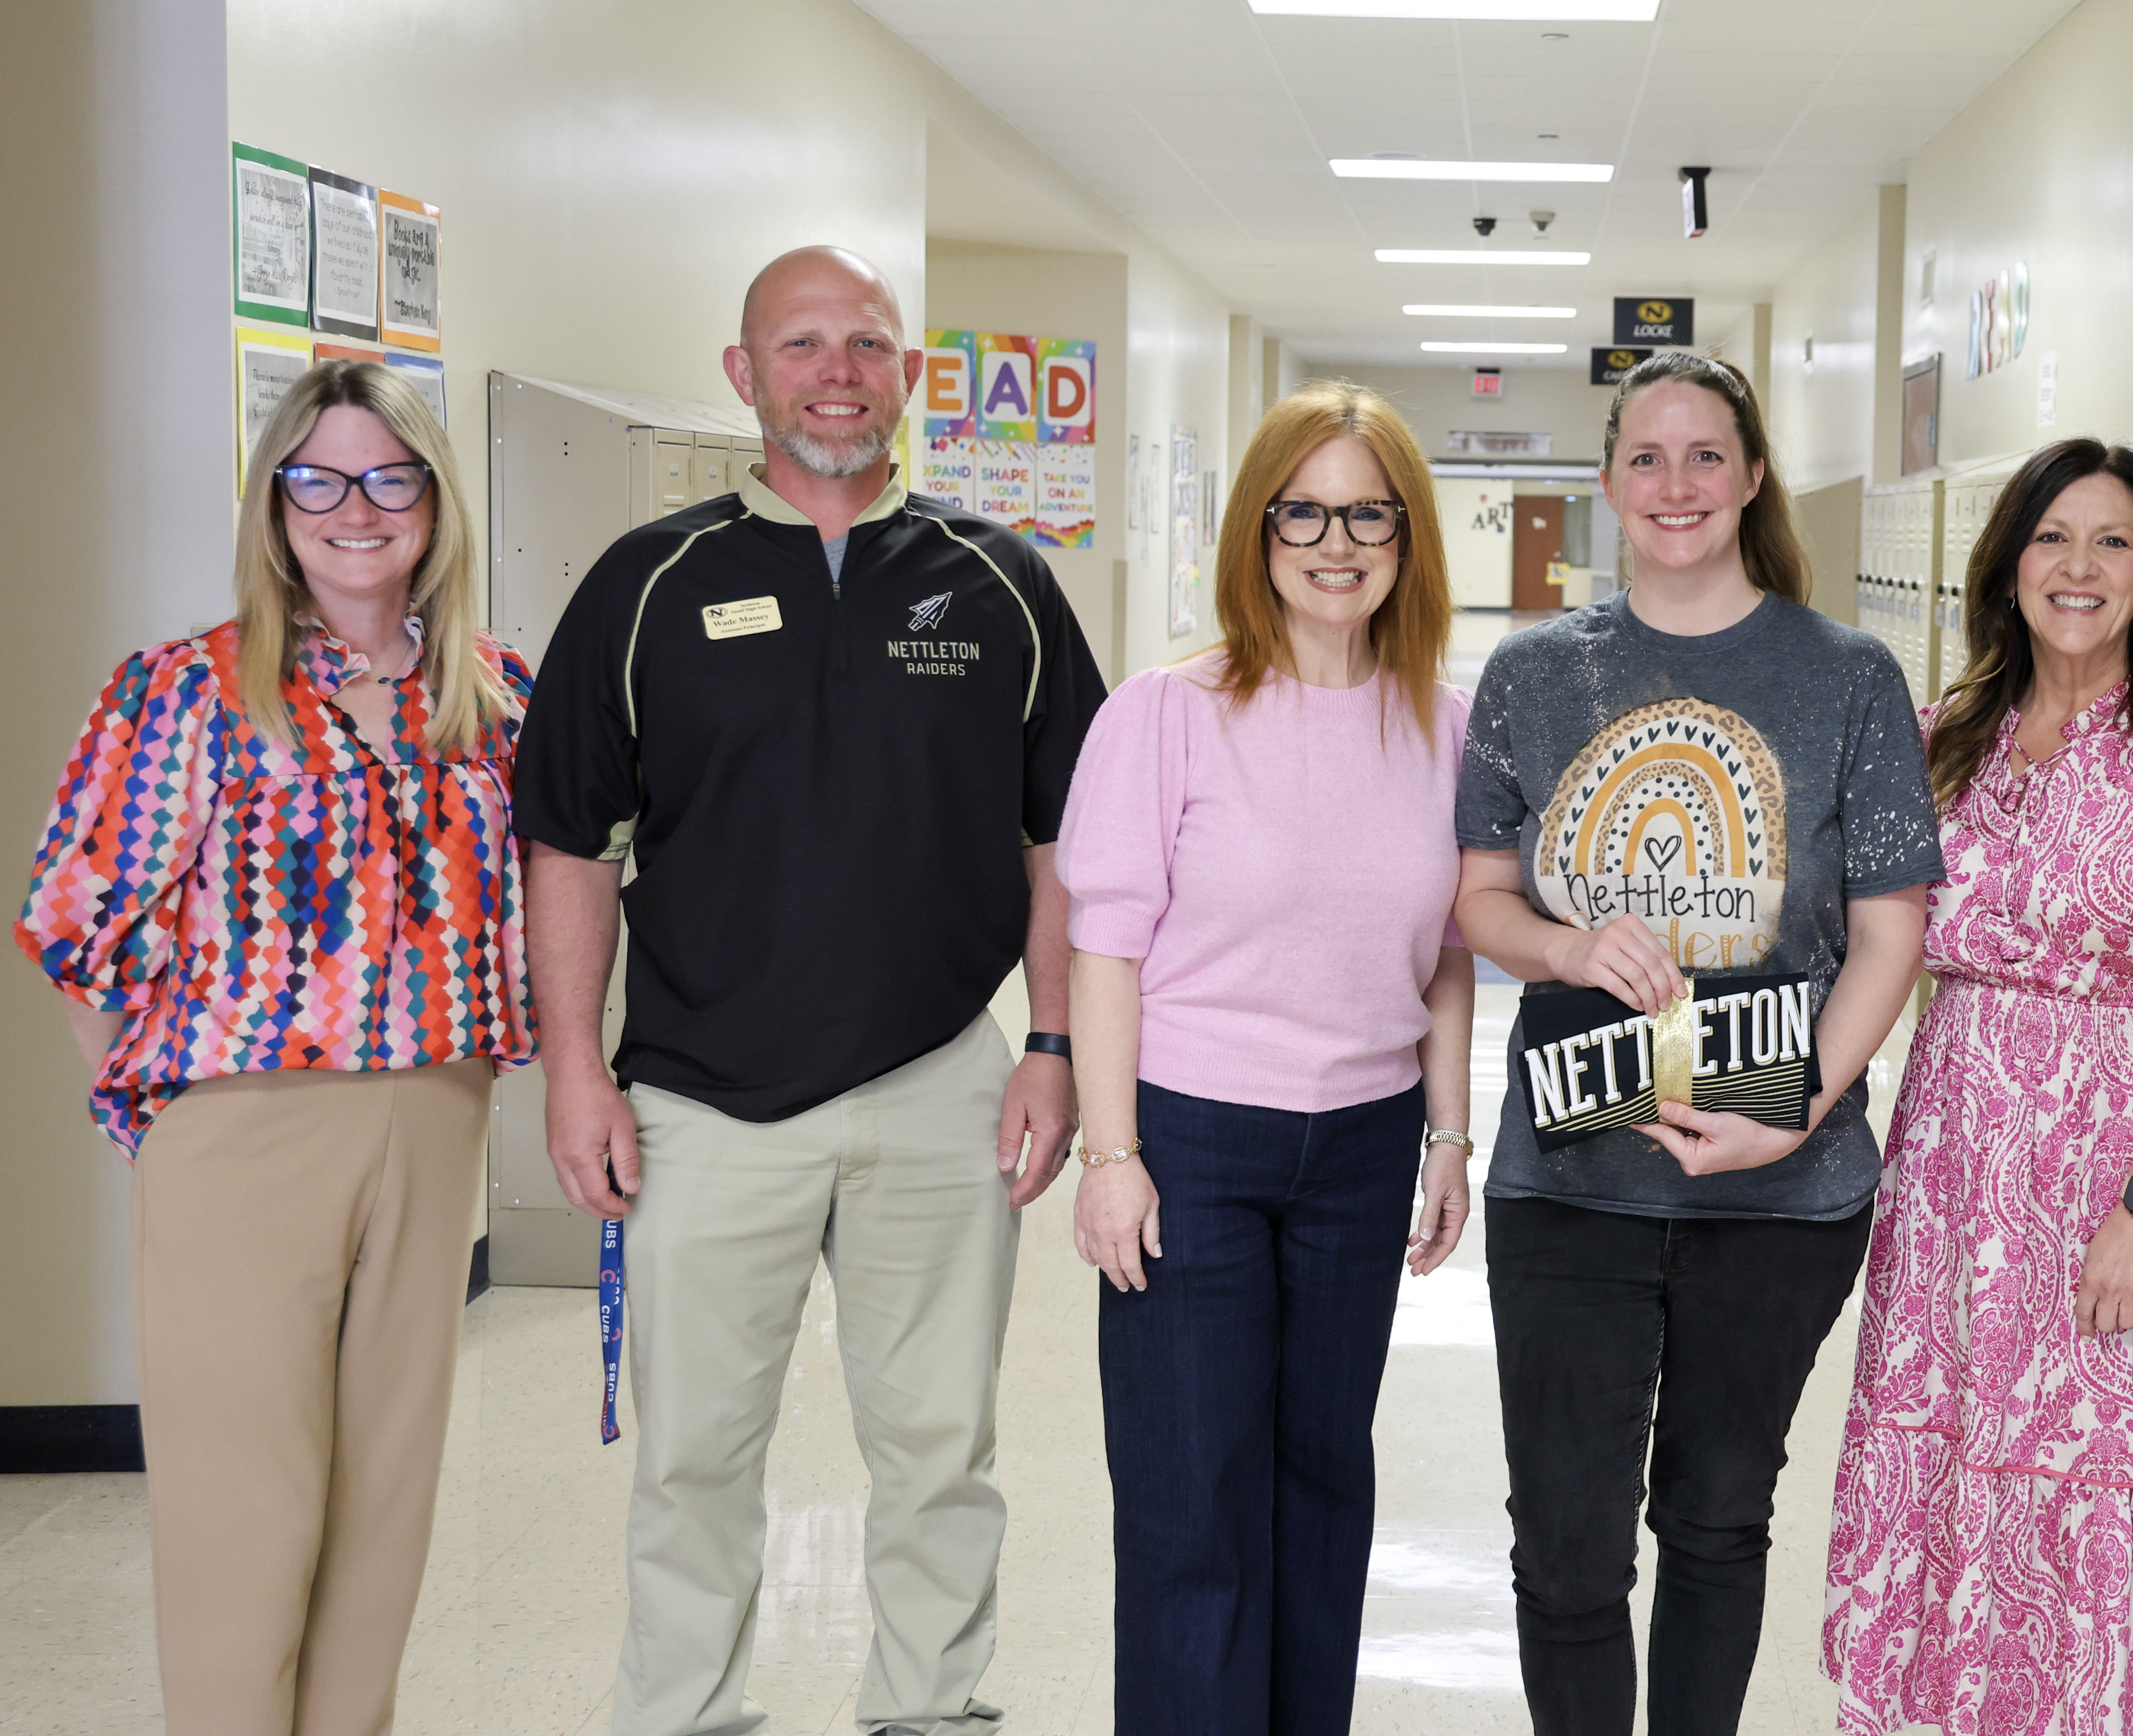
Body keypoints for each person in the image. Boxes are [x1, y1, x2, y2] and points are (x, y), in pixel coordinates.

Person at [513, 246, 1105, 1736]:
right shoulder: (646, 584)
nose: (834, 370)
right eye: (800, 345)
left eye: (865, 343)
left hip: (938, 1085)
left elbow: (1069, 847)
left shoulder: (1003, 583)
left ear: (907, 373)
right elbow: (570, 845)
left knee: (937, 1450)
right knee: (694, 1456)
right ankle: (684, 1713)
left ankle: (928, 1708)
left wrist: (1050, 1045)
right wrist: (575, 1071)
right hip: (703, 1100)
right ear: (743, 375)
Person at [15, 359, 528, 1734]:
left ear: (435, 499)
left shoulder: (496, 693)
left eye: (388, 477)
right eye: (316, 478)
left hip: (438, 1116)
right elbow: (72, 923)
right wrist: (168, 1118)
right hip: (244, 1127)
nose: (353, 508)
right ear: (274, 500)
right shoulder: (186, 688)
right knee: (247, 1510)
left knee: (384, 1505)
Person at [1453, 351, 1940, 1736]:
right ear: (1607, 482)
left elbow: (1888, 926)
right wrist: (1560, 945)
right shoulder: (1533, 673)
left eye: (1705, 456)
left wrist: (1796, 1113)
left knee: (1718, 1523)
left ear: (1750, 477)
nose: (1676, 485)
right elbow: (1477, 892)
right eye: (1647, 458)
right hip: (1572, 1177)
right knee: (1565, 1548)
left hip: (1777, 1193)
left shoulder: (1845, 675)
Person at [1823, 438, 2133, 1732]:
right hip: (1961, 1179)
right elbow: (1869, 936)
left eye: (2111, 540)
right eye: (2052, 538)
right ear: (2009, 565)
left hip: (2131, 1174)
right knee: (1966, 1476)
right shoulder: (1945, 738)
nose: (2078, 566)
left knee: (2119, 1484)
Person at [1059, 382, 1476, 1735]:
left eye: (1368, 512)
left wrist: (1445, 1138)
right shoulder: (1164, 711)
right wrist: (1109, 1155)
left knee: (1319, 1489)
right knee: (1193, 1502)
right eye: (1303, 510)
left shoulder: (1445, 722)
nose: (1334, 540)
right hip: (1192, 1143)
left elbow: (1451, 952)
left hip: (1359, 1146)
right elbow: (1103, 945)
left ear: (1408, 538)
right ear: (1258, 529)